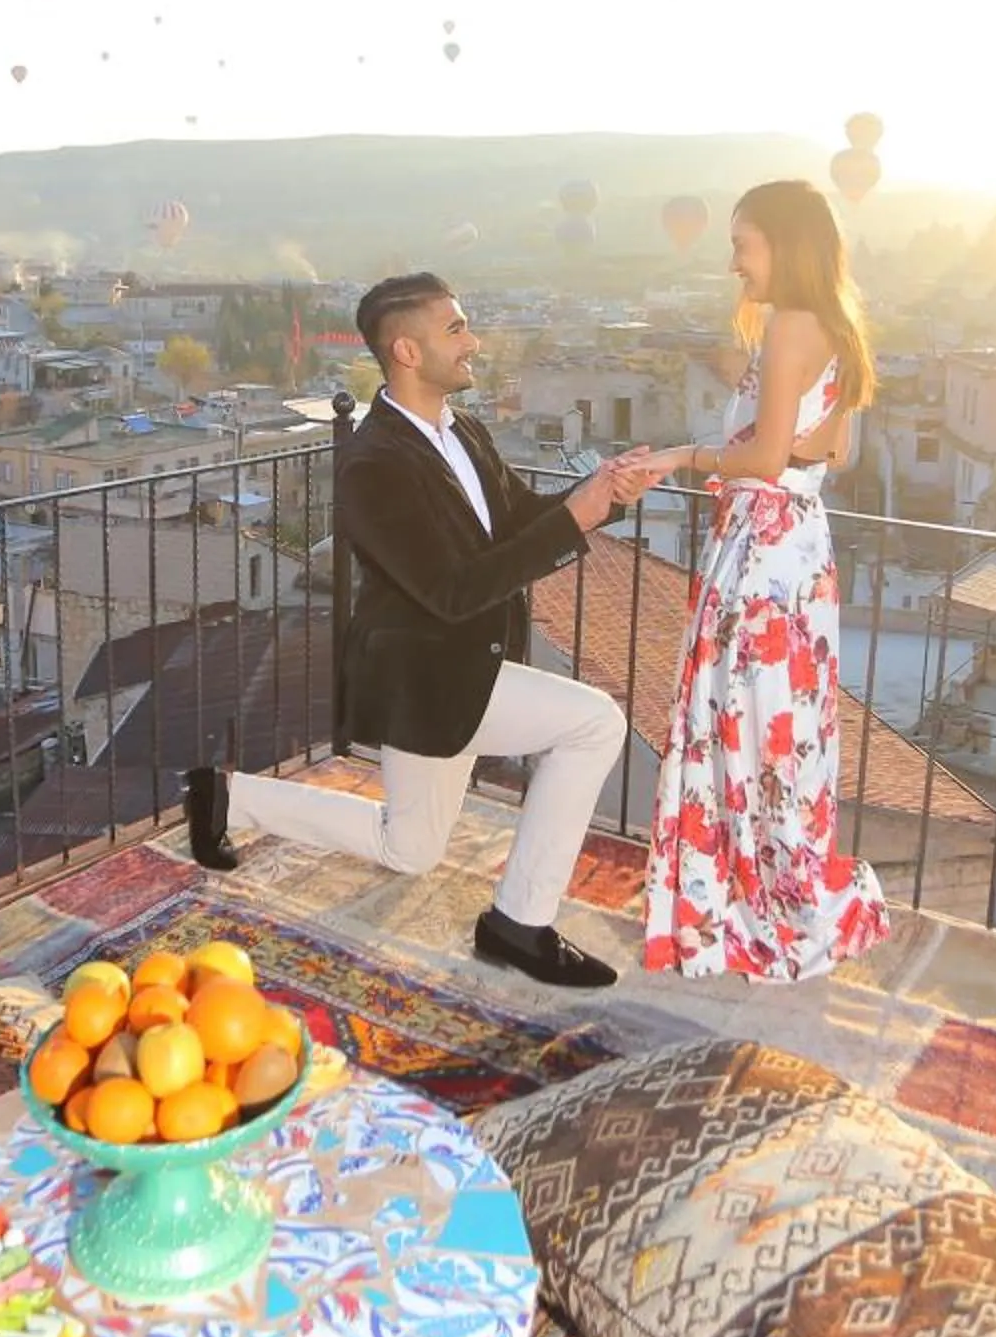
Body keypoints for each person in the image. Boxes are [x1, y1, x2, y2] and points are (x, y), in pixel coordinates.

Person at [185, 272, 662, 988]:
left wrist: (602, 497)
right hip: (423, 678)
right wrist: (578, 518)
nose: (473, 342)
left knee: (409, 849)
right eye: (457, 329)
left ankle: (229, 798)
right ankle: (519, 925)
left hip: (465, 666)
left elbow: (516, 522)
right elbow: (450, 591)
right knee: (594, 724)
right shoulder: (371, 465)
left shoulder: (462, 429)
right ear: (406, 349)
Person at [627, 181, 890, 980]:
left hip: (763, 550)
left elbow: (764, 458)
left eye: (744, 242)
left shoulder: (789, 326)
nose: (734, 259)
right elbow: (832, 452)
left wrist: (680, 457)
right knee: (783, 728)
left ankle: (750, 911)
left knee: (738, 720)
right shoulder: (837, 327)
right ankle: (780, 897)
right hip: (800, 547)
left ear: (785, 242)